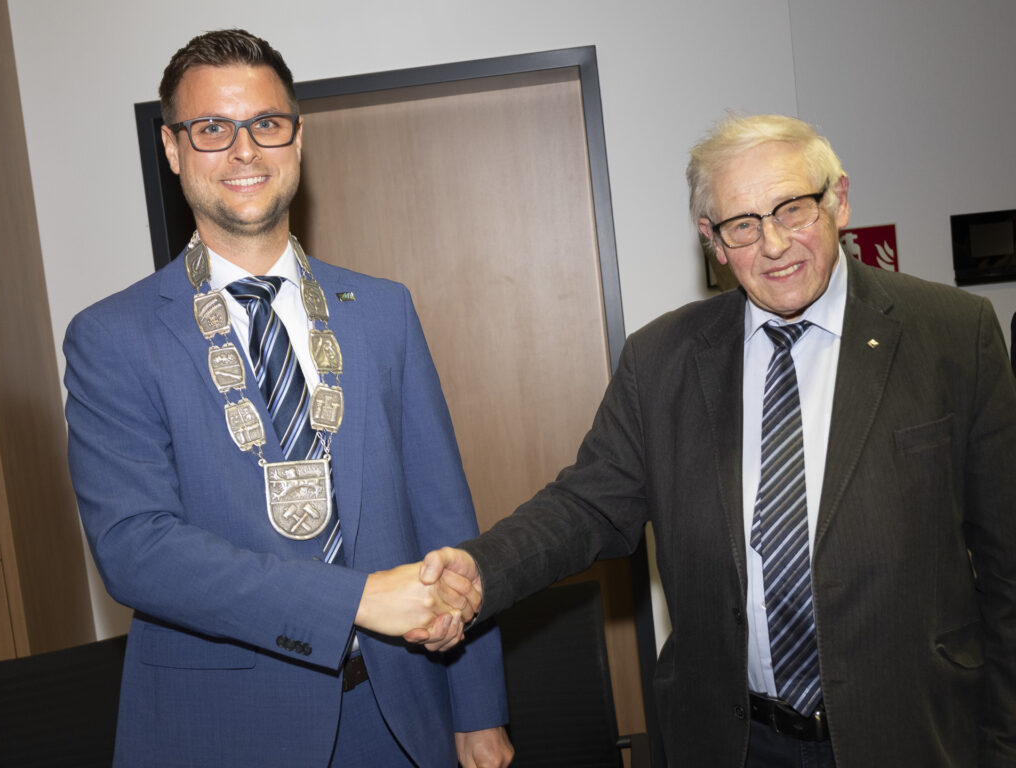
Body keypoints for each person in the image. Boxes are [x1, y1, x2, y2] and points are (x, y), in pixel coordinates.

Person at [416, 114, 1016, 767]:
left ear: (839, 200)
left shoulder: (953, 335)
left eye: (794, 208)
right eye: (744, 224)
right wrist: (479, 570)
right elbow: (587, 506)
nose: (775, 243)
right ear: (714, 240)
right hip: (732, 741)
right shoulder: (663, 359)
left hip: (912, 733)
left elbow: (1008, 564)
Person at [64, 28, 512, 768]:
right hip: (221, 729)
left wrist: (479, 707)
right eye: (212, 129)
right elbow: (136, 550)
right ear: (173, 149)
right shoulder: (112, 337)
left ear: (297, 141)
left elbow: (445, 519)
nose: (245, 151)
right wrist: (355, 602)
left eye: (267, 125)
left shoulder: (382, 310)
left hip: (401, 714)